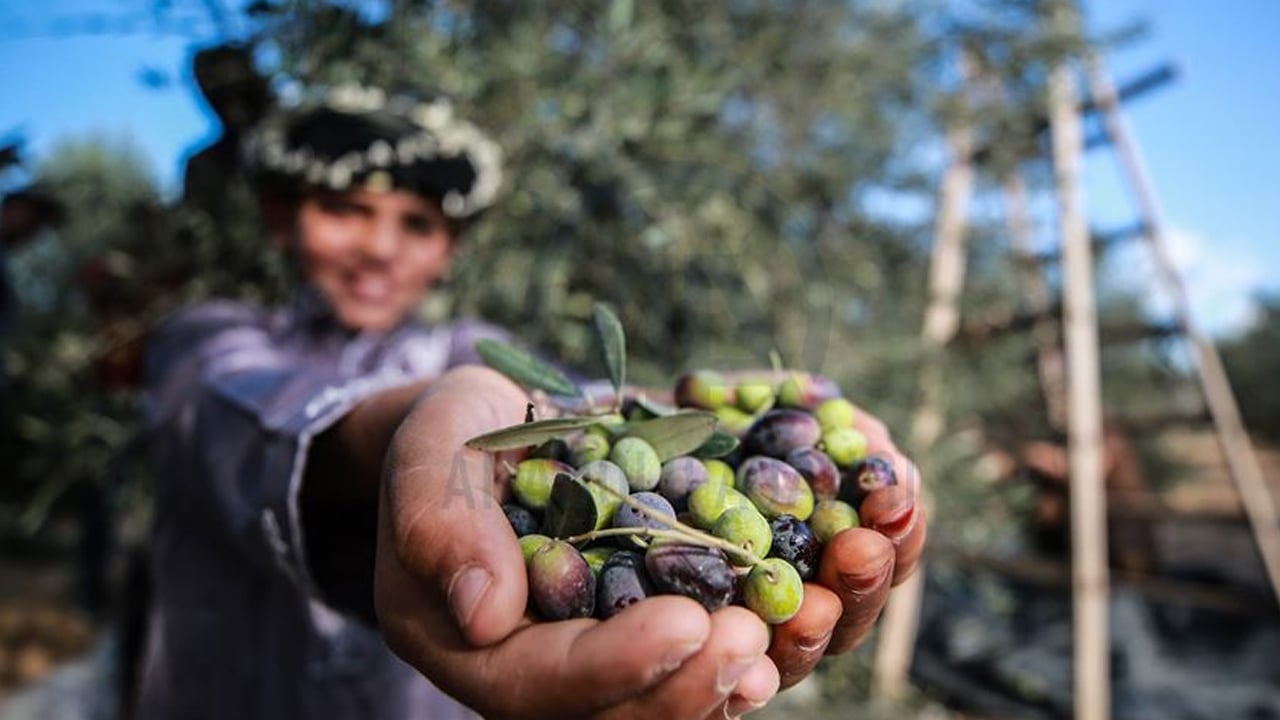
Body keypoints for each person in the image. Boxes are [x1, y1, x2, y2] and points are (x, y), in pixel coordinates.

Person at [136, 83, 927, 720]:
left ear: (450, 245)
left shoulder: (473, 352)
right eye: (346, 210)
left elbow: (578, 416)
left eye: (415, 223)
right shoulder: (208, 341)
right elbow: (267, 421)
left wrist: (713, 419)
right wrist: (416, 430)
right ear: (282, 218)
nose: (380, 246)